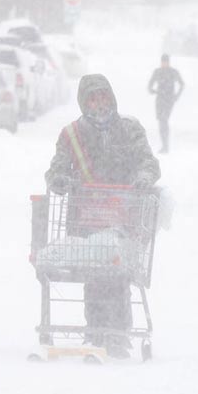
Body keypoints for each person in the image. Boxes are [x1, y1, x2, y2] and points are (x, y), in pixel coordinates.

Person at [44, 74, 161, 358]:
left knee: (119, 274)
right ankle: (95, 332)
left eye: (103, 97)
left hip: (123, 216)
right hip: (85, 217)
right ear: (84, 103)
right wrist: (59, 179)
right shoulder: (71, 135)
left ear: (112, 98)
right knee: (94, 275)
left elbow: (148, 161)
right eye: (93, 99)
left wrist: (144, 177)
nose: (99, 104)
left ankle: (119, 334)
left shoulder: (130, 130)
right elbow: (56, 168)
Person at [148, 54, 184, 153]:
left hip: (169, 100)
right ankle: (164, 145)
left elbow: (182, 84)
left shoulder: (173, 72)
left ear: (169, 62)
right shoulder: (157, 72)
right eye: (163, 62)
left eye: (166, 62)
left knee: (164, 120)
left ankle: (166, 145)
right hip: (159, 99)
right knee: (161, 121)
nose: (165, 63)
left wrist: (177, 96)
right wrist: (152, 90)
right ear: (161, 62)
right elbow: (150, 84)